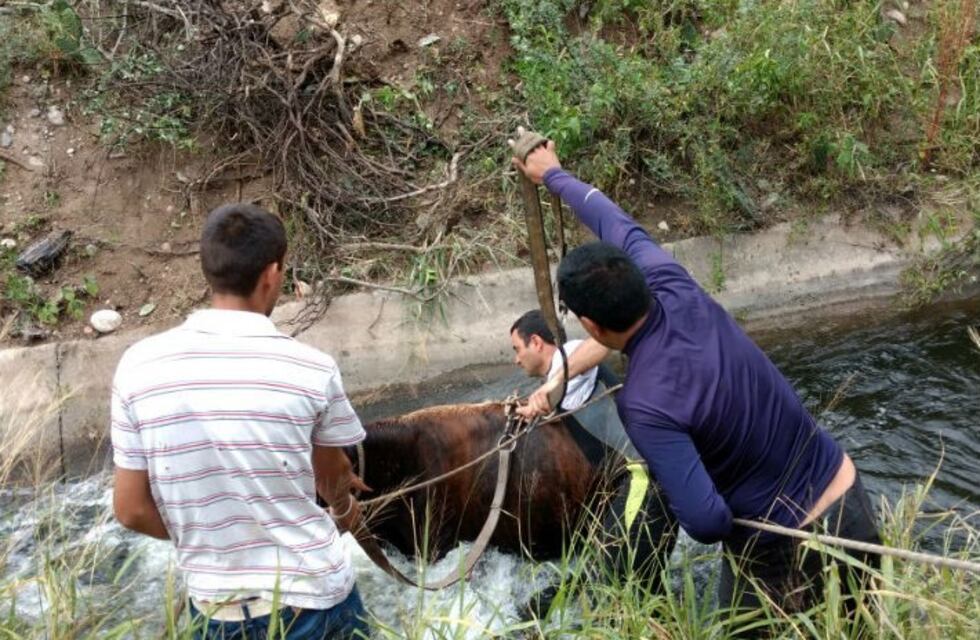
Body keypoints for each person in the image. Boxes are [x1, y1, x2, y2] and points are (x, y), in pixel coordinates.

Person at [511, 136, 881, 621]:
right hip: (849, 496)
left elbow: (706, 521)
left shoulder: (643, 403)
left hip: (781, 549)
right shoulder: (674, 282)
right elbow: (610, 217)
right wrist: (553, 174)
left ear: (592, 327)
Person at [110, 203, 370, 639]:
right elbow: (331, 478)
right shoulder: (311, 368)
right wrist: (345, 510)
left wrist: (210, 542)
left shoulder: (137, 366)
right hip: (314, 601)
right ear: (272, 273)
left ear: (209, 271)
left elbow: (131, 510)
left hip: (215, 610)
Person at [509, 309, 677, 615]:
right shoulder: (558, 379)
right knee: (640, 589)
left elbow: (603, 343)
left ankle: (533, 614)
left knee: (607, 577)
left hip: (646, 480)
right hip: (636, 485)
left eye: (517, 349)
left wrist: (553, 384)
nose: (515, 359)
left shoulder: (568, 357)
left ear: (536, 342)